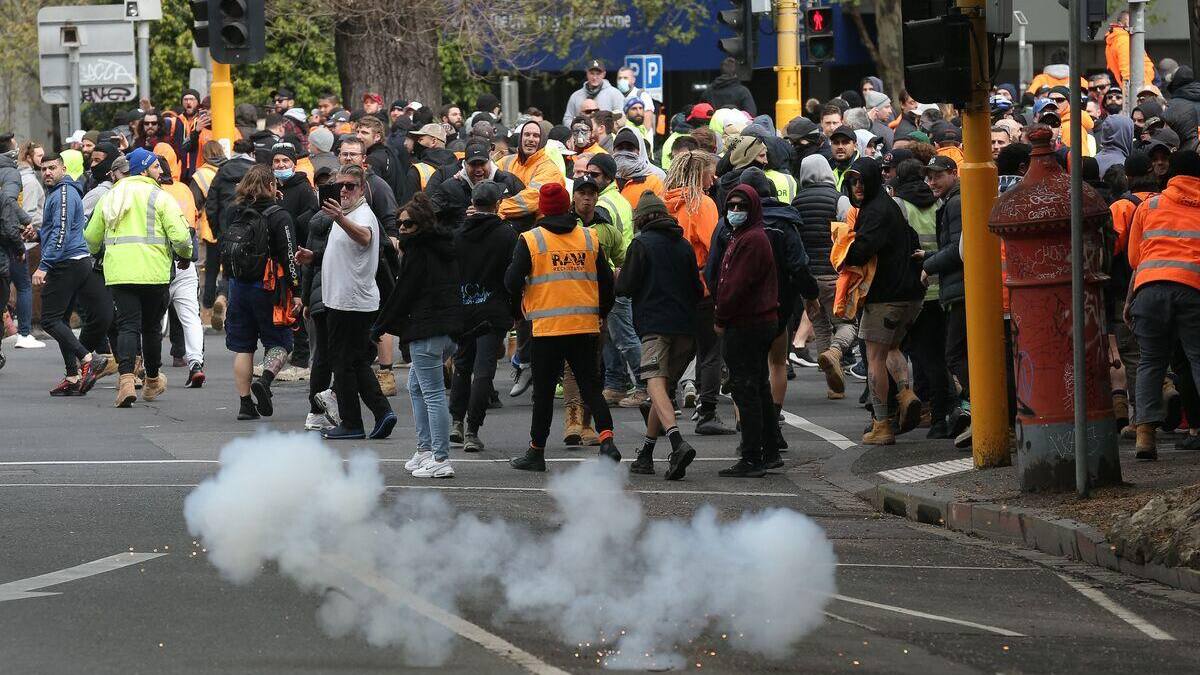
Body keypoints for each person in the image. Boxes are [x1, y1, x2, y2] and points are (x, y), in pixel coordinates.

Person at [505, 183, 621, 471]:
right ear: (568, 204)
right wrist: (601, 313)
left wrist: (518, 307)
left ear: (542, 208)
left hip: (547, 328)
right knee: (591, 386)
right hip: (584, 325)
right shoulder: (588, 237)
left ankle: (536, 451)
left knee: (543, 393)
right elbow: (607, 284)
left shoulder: (532, 240)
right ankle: (607, 440)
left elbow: (511, 281)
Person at [85, 148, 192, 407]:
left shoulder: (111, 195)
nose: (160, 171)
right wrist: (185, 253)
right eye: (156, 167)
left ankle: (126, 381)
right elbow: (179, 236)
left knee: (127, 326)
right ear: (143, 170)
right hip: (154, 273)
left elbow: (91, 237)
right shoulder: (159, 196)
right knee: (151, 328)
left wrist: (101, 251)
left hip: (119, 273)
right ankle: (153, 381)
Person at [373, 193, 461, 477]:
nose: (401, 229)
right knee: (416, 387)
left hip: (428, 330)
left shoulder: (419, 251)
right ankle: (426, 450)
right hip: (447, 330)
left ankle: (440, 456)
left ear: (421, 224)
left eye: (407, 224)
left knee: (432, 393)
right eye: (399, 223)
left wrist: (380, 325)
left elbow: (403, 293)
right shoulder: (443, 246)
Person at [617, 192, 703, 479]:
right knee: (663, 392)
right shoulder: (683, 245)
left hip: (655, 327)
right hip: (686, 329)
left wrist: (618, 275)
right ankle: (646, 454)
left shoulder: (640, 244)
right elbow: (696, 288)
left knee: (653, 383)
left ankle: (677, 442)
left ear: (640, 218)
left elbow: (626, 287)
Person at [306, 164, 395, 440]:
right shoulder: (346, 214)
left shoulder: (361, 214)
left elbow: (365, 237)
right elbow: (345, 254)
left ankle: (352, 423)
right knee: (354, 363)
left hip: (351, 303)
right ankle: (382, 413)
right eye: (339, 185)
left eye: (350, 186)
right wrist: (313, 257)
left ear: (362, 189)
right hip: (343, 300)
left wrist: (339, 219)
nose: (343, 190)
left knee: (343, 364)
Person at [843, 157, 925, 445]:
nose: (858, 186)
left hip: (884, 296)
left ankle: (882, 425)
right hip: (911, 295)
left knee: (874, 357)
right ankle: (905, 393)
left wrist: (844, 252)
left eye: (862, 180)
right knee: (892, 347)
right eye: (853, 181)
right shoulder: (891, 206)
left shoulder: (874, 211)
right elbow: (913, 238)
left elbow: (863, 250)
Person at [1126, 151, 1200, 460]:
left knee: (1151, 363)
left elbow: (1134, 258)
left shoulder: (1150, 205)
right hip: (1192, 289)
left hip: (1149, 290)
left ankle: (1145, 436)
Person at [663, 150, 734, 435]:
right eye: (710, 171)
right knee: (710, 351)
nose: (714, 177)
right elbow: (713, 247)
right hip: (701, 287)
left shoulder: (665, 202)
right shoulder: (702, 204)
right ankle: (708, 412)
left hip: (671, 288)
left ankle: (661, 400)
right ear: (698, 174)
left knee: (679, 349)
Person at [713, 186, 779, 477]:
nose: (735, 211)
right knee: (758, 386)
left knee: (746, 389)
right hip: (755, 321)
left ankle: (753, 456)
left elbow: (736, 286)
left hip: (747, 323)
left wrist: (721, 316)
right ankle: (769, 449)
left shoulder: (751, 239)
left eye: (741, 207)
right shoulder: (745, 236)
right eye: (732, 206)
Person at [447, 181, 516, 452]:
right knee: (484, 370)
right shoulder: (507, 235)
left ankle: (456, 422)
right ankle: (472, 431)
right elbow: (513, 274)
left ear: (473, 203)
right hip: (493, 309)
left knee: (462, 367)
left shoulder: (457, 234)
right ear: (497, 204)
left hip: (463, 308)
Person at [795, 155, 854, 399]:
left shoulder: (796, 202)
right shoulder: (839, 199)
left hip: (808, 276)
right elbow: (850, 228)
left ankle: (833, 385)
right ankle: (836, 352)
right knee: (848, 323)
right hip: (835, 273)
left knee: (819, 325)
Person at [151, 148, 206, 388]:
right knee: (190, 316)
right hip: (184, 262)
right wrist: (188, 256)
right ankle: (195, 362)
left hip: (156, 262)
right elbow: (191, 225)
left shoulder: (152, 194)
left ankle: (148, 368)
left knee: (151, 319)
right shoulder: (184, 189)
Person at [204, 138, 257, 328]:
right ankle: (244, 312)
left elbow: (211, 203)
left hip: (227, 229)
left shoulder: (222, 171)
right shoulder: (256, 171)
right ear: (252, 153)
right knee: (248, 269)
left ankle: (222, 296)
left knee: (228, 268)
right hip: (251, 229)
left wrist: (216, 229)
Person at [561, 60, 626, 126]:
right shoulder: (576, 96)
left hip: (606, 134)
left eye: (598, 74)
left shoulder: (615, 94)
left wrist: (607, 129)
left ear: (604, 74)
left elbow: (621, 118)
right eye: (592, 73)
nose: (595, 77)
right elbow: (567, 119)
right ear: (587, 73)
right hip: (582, 134)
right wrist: (577, 127)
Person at [1104, 11, 1156, 92]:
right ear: (1121, 24)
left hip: (1141, 88)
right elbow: (1127, 72)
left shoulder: (1115, 39)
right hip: (1143, 89)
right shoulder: (1123, 40)